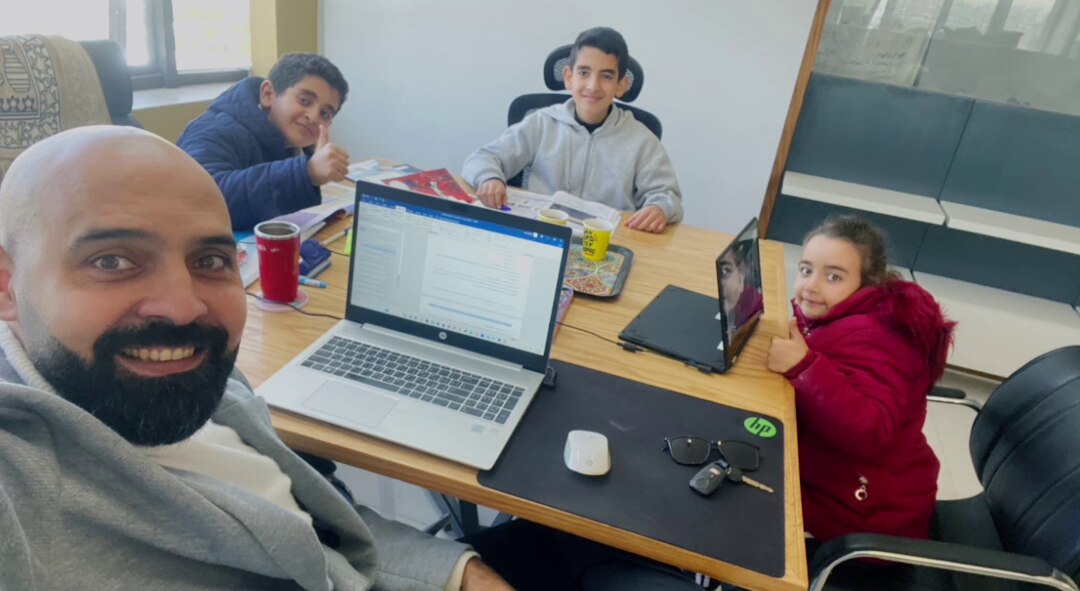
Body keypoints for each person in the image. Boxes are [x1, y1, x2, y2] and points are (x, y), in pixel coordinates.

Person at [0, 126, 513, 590]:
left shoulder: (187, 374)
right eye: (112, 260)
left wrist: (458, 573)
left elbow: (310, 519)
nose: (184, 307)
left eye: (209, 259)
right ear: (7, 286)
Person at [767, 215, 955, 543]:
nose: (811, 286)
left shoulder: (877, 338)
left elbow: (871, 430)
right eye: (806, 270)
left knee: (737, 495)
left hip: (866, 514)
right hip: (847, 481)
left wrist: (804, 367)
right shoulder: (847, 316)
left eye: (833, 277)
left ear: (867, 283)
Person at [461, 27, 682, 234]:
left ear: (621, 85)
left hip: (606, 244)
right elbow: (482, 158)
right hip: (544, 237)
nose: (593, 86)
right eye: (584, 72)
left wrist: (659, 208)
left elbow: (667, 196)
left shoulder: (642, 140)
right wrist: (490, 178)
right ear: (568, 77)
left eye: (606, 76)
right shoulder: (540, 123)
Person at [178, 52, 351, 231]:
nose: (313, 117)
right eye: (305, 101)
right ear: (268, 94)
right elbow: (202, 200)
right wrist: (307, 172)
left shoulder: (293, 143)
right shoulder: (214, 130)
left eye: (325, 114)